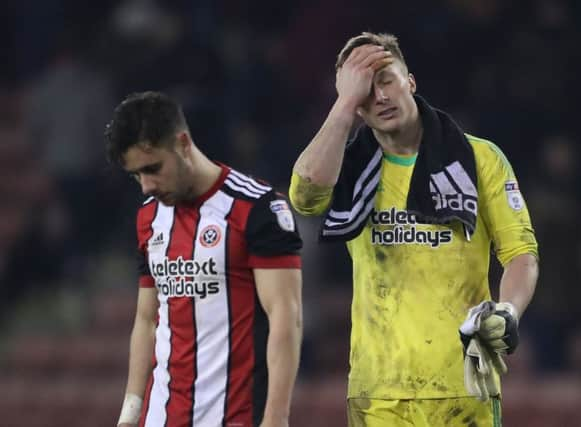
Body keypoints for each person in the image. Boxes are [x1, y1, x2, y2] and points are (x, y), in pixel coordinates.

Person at [289, 32, 539, 426]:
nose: (381, 97)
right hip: (377, 391)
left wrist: (507, 312)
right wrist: (342, 104)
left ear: (411, 81)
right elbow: (304, 198)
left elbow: (521, 254)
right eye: (365, 91)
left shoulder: (479, 158)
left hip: (462, 384)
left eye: (386, 79)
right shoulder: (348, 168)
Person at [105, 91, 303, 427]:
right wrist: (130, 414)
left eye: (153, 168)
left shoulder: (257, 208)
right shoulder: (148, 219)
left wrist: (276, 417)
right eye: (136, 175)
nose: (146, 186)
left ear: (183, 144)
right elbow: (146, 319)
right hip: (162, 416)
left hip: (236, 416)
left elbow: (286, 315)